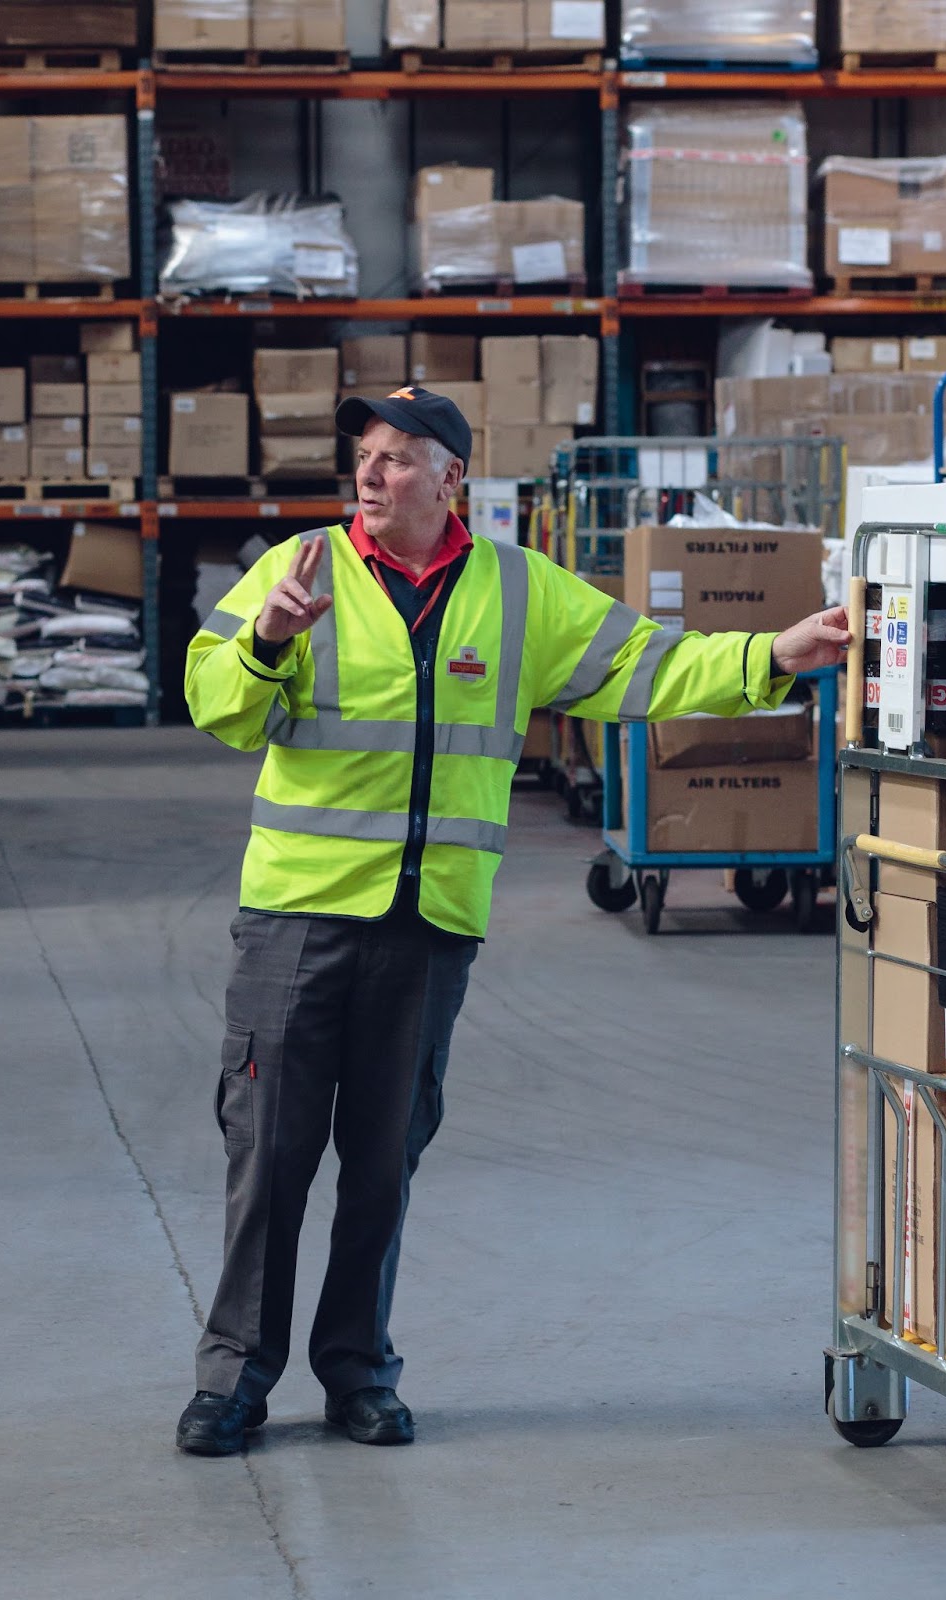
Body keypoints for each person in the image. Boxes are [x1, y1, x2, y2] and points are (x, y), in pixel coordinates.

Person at [177, 386, 850, 1456]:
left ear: (452, 478)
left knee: (383, 1164)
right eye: (365, 454)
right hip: (297, 916)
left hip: (428, 923)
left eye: (398, 457)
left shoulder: (518, 589)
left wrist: (772, 655)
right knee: (271, 1157)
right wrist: (264, 638)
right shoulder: (300, 570)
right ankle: (234, 1380)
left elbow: (645, 663)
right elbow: (216, 705)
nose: (371, 473)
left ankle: (357, 1371)